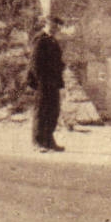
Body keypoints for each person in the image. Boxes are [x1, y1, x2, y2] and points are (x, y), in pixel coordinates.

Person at [27, 17, 65, 152]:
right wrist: (40, 81)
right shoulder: (40, 39)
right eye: (52, 25)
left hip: (53, 82)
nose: (55, 28)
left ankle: (48, 140)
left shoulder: (53, 40)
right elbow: (35, 63)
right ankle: (37, 142)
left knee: (53, 111)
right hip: (43, 82)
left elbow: (58, 62)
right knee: (41, 111)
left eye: (57, 26)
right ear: (46, 25)